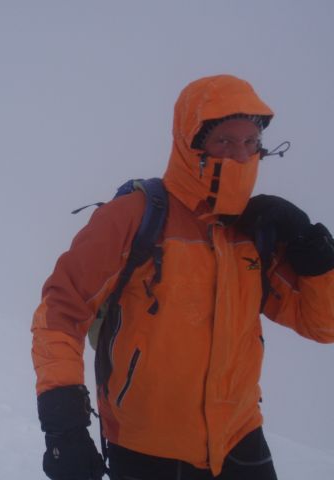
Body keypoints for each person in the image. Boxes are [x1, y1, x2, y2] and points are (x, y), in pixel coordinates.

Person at [31, 74, 334, 480]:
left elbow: (324, 324)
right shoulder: (132, 217)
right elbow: (61, 311)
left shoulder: (255, 232)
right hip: (147, 446)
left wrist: (315, 252)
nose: (240, 156)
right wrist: (63, 422)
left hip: (240, 438)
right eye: (224, 141)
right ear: (191, 144)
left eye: (250, 142)